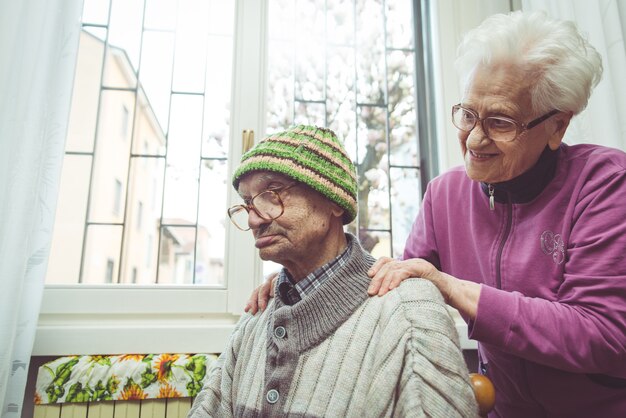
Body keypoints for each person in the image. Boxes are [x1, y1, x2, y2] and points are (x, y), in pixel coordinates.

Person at [246, 12, 626, 418]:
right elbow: (390, 286)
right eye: (467, 114)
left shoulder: (604, 184)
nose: (475, 139)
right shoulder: (444, 194)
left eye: (499, 121)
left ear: (557, 126)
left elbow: (603, 334)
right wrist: (301, 278)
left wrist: (452, 287)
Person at [187, 125, 478, 417]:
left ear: (334, 202)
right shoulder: (256, 316)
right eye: (248, 203)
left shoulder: (411, 312)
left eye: (271, 194)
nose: (252, 219)